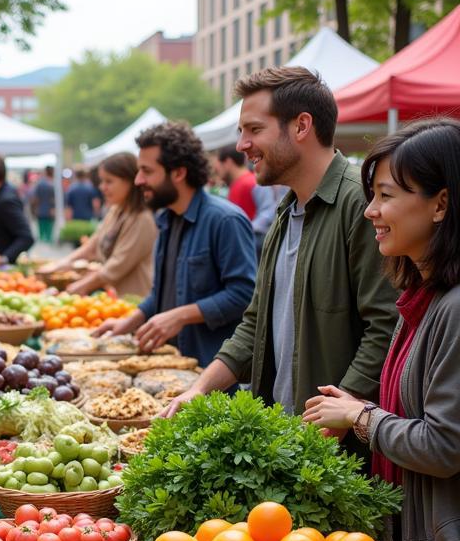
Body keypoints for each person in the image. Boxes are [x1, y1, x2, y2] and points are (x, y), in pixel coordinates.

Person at [163, 67, 399, 420]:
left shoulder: (360, 204)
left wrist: (339, 414)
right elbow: (255, 324)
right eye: (242, 132)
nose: (242, 145)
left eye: (254, 130)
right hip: (287, 436)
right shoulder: (285, 211)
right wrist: (199, 388)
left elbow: (386, 326)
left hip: (338, 452)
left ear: (302, 126)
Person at [302, 118, 460, 541]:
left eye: (386, 196)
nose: (370, 211)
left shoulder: (453, 308)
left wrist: (360, 415)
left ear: (441, 204)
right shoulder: (422, 296)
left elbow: (444, 445)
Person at [93, 122, 256, 364]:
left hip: (211, 372)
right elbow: (162, 294)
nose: (138, 180)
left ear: (179, 173)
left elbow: (244, 294)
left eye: (147, 171)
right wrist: (131, 320)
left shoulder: (225, 220)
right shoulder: (166, 219)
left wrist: (180, 316)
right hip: (172, 365)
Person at [43, 153, 157, 296]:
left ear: (130, 181)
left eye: (109, 181)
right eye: (101, 181)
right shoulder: (117, 210)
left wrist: (80, 286)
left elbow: (117, 265)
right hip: (115, 298)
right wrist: (62, 264)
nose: (102, 187)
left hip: (134, 299)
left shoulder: (142, 219)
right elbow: (93, 245)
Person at [215, 143, 279, 257]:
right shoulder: (236, 185)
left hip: (254, 246)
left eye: (218, 165)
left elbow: (269, 211)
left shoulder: (253, 182)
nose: (217, 171)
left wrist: (247, 228)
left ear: (228, 163)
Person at [31, 165, 57, 242]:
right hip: (51, 212)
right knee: (49, 235)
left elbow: (36, 199)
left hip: (41, 211)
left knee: (41, 235)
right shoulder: (54, 184)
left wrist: (35, 209)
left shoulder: (40, 184)